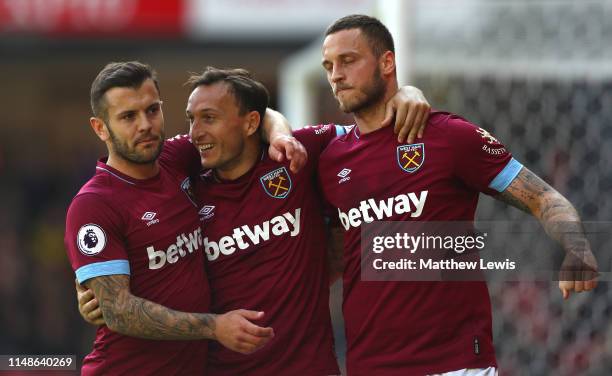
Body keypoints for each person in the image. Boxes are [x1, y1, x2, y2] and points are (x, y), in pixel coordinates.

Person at [316, 14, 599, 376]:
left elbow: (543, 198)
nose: (336, 75)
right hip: (370, 366)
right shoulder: (329, 158)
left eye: (348, 60)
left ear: (387, 62)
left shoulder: (450, 137)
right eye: (328, 65)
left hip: (456, 365)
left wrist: (577, 246)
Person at [64, 61, 306, 375]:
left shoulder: (176, 158)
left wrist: (279, 137)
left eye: (152, 110)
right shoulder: (94, 204)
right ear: (100, 128)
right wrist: (214, 326)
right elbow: (119, 311)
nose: (145, 125)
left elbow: (255, 115)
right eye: (128, 117)